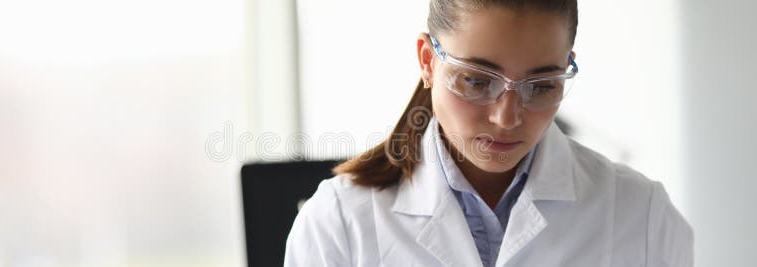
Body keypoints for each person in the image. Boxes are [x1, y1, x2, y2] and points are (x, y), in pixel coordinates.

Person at [284, 0, 694, 266]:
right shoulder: (338, 223)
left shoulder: (641, 217)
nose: (507, 117)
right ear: (428, 62)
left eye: (542, 85)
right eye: (478, 82)